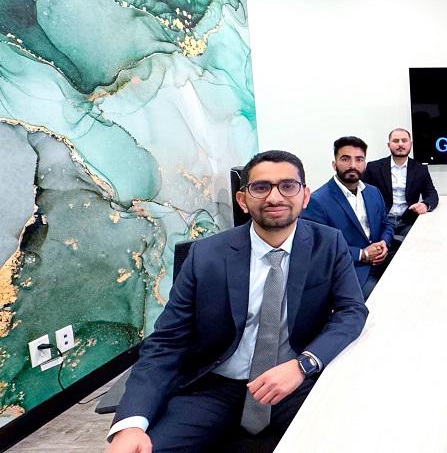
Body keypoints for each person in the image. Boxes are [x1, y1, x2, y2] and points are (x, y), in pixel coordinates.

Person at [105, 150, 368, 453]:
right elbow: (167, 341)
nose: (275, 197)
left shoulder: (329, 243)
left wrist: (303, 365)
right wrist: (130, 424)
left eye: (288, 186)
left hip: (293, 382)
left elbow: (351, 311)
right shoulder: (206, 255)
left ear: (305, 196)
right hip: (215, 388)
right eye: (261, 187)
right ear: (243, 200)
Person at [301, 136, 394, 299]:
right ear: (334, 164)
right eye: (345, 159)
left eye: (359, 159)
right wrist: (362, 254)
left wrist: (384, 243)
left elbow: (386, 224)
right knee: (384, 299)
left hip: (383, 260)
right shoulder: (317, 201)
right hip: (351, 271)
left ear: (365, 164)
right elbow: (318, 248)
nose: (353, 165)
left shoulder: (373, 192)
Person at [361, 127, 439, 240]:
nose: (400, 144)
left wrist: (425, 205)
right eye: (396, 141)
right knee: (381, 246)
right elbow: (361, 193)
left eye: (404, 140)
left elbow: (431, 193)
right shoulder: (374, 167)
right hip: (382, 221)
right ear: (389, 145)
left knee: (420, 241)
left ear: (410, 144)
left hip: (408, 221)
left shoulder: (420, 168)